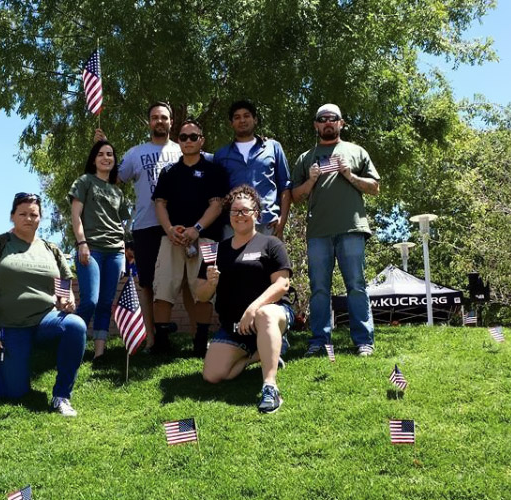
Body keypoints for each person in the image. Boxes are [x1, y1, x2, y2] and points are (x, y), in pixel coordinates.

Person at [0, 192, 87, 417]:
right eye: (22, 214)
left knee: (76, 326)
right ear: (12, 216)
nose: (28, 218)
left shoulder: (50, 249)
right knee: (15, 393)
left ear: (40, 218)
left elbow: (64, 286)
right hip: (10, 326)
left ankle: (61, 396)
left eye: (34, 214)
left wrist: (67, 299)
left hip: (46, 320)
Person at [94, 102, 197, 352]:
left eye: (163, 117)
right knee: (148, 284)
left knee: (187, 282)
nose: (159, 121)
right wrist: (103, 149)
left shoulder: (183, 149)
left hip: (180, 226)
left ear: (171, 122)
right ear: (149, 122)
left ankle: (198, 338)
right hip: (146, 226)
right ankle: (152, 339)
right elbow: (114, 179)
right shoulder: (135, 153)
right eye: (154, 117)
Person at [290, 104, 381, 357]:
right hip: (318, 232)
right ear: (316, 125)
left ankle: (364, 341)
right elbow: (295, 197)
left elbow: (375, 188)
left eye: (333, 119)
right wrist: (311, 180)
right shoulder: (306, 157)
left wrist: (349, 175)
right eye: (322, 119)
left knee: (356, 285)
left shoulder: (356, 151)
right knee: (319, 288)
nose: (327, 122)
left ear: (341, 123)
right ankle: (319, 340)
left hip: (351, 228)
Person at [196, 185, 293, 413]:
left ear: (256, 214)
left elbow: (282, 284)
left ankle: (270, 387)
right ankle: (260, 354)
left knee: (265, 313)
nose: (239, 215)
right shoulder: (217, 251)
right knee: (213, 375)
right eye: (235, 211)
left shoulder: (271, 244)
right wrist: (210, 283)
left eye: (245, 211)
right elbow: (200, 295)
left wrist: (253, 308)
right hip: (234, 327)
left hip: (270, 315)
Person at [152, 119, 229, 357]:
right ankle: (162, 343)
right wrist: (169, 229)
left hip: (206, 239)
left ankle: (200, 342)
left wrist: (196, 229)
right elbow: (160, 203)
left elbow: (217, 205)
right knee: (163, 288)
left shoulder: (214, 170)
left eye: (193, 137)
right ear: (179, 141)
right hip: (172, 239)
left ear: (201, 140)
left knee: (204, 290)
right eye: (183, 137)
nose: (188, 141)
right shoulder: (169, 172)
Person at [69, 140, 131, 363]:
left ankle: (99, 354)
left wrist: (125, 249)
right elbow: (75, 216)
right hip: (91, 249)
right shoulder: (84, 181)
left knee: (105, 303)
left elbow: (123, 223)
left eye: (110, 154)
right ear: (94, 159)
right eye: (101, 154)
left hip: (116, 252)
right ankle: (70, 344)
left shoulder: (117, 191)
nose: (106, 158)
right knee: (90, 301)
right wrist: (82, 243)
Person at [213, 100, 292, 239]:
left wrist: (283, 219)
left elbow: (285, 185)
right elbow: (217, 194)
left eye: (246, 116)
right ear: (231, 123)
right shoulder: (221, 155)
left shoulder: (273, 148)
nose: (242, 120)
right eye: (237, 117)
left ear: (255, 119)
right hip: (233, 225)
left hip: (268, 223)